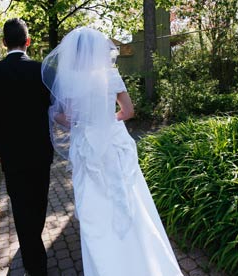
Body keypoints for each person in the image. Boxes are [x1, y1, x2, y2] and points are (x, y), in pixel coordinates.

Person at [41, 26, 183, 276]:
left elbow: (68, 118)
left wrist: (79, 121)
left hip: (86, 145)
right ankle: (144, 256)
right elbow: (128, 112)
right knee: (131, 198)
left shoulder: (71, 80)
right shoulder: (111, 76)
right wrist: (107, 120)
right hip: (114, 143)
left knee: (94, 205)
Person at [0, 18, 53, 276]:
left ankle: (33, 259)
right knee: (39, 202)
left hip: (11, 155)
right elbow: (52, 110)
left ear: (3, 43)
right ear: (28, 41)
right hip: (41, 152)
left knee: (21, 207)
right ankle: (35, 254)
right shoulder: (42, 71)